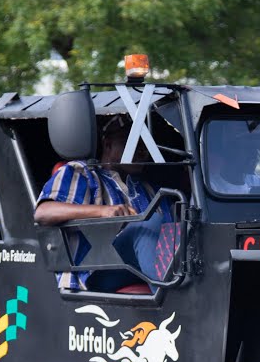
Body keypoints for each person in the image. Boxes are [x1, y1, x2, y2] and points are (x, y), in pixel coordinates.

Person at [34, 115, 171, 292]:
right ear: (108, 145)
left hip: (138, 268)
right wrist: (102, 211)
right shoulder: (82, 173)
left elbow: (172, 230)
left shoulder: (148, 188)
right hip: (96, 268)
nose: (142, 151)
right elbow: (43, 212)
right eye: (133, 143)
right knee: (146, 226)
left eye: (145, 145)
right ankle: (173, 299)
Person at [206, 121, 260, 192]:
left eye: (258, 147)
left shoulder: (259, 183)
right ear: (231, 149)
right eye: (249, 147)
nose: (255, 153)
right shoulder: (211, 187)